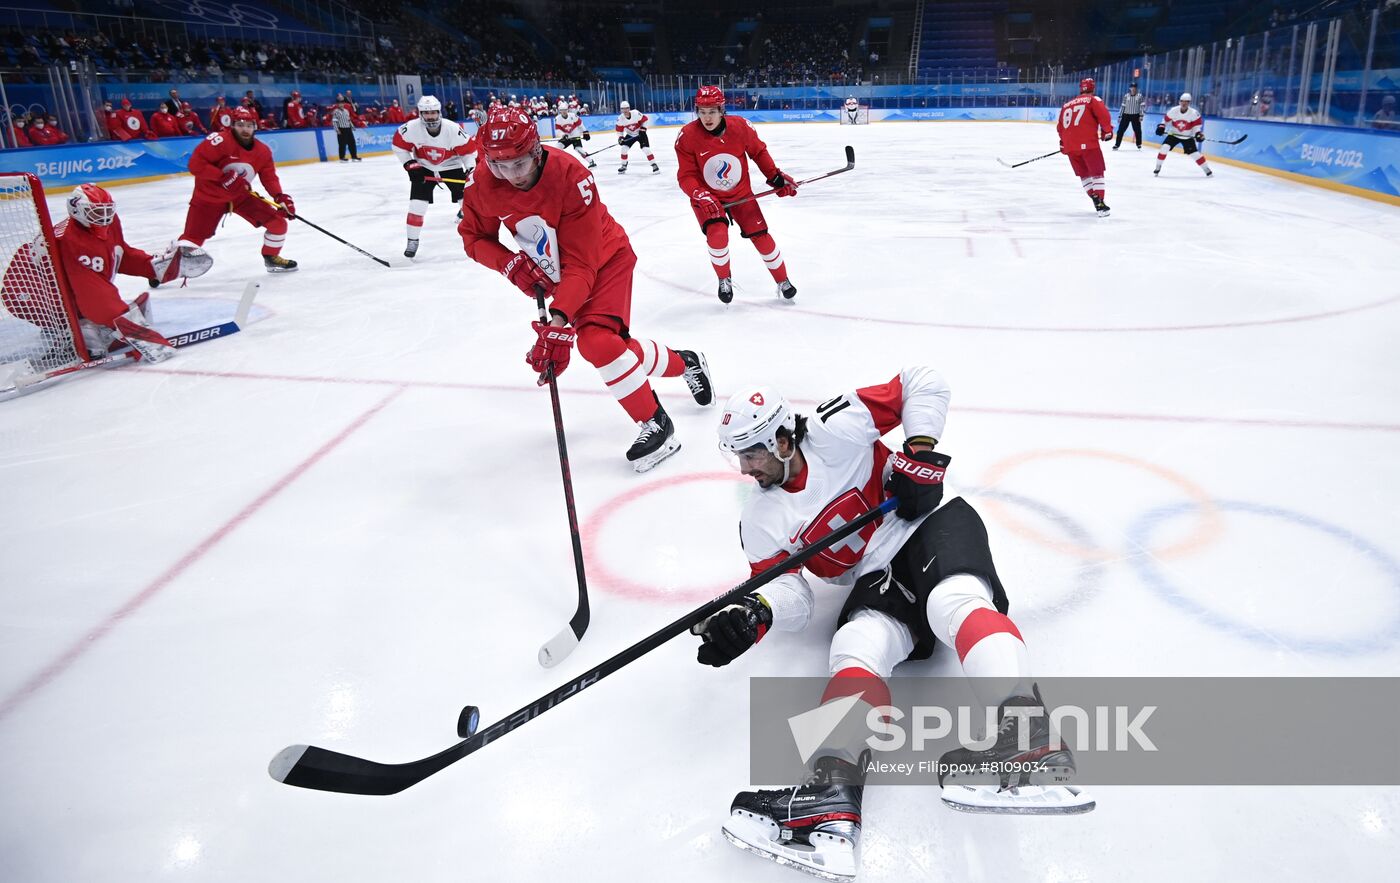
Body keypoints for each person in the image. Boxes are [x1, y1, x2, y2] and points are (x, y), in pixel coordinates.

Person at [702, 369, 1088, 880]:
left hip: (931, 524)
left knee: (953, 598)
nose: (746, 468)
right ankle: (830, 796)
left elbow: (922, 381)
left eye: (751, 453)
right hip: (876, 573)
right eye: (739, 456)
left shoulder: (833, 425)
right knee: (855, 643)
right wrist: (757, 614)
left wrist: (921, 450)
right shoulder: (761, 519)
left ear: (781, 438)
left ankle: (1028, 736)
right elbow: (788, 586)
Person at [457, 107, 713, 472]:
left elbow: (583, 263)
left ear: (535, 150)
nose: (509, 176)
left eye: (518, 164)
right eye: (499, 166)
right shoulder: (483, 181)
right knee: (615, 348)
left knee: (595, 341)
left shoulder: (571, 176)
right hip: (559, 273)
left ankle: (656, 424)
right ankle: (687, 362)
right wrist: (510, 265)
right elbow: (474, 237)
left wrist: (558, 323)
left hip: (605, 260)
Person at [2, 184, 212, 364]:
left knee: (86, 303)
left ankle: (80, 325)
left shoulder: (108, 223)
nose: (103, 217)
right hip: (23, 289)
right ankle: (70, 330)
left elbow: (117, 254)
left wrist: (152, 266)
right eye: (96, 212)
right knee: (86, 316)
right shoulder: (74, 241)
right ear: (76, 211)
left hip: (51, 279)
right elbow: (94, 296)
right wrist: (133, 329)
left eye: (106, 210)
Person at [675, 85, 799, 305]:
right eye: (702, 112)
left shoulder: (740, 127)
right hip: (709, 199)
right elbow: (686, 176)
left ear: (722, 110)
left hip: (741, 194)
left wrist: (776, 178)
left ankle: (783, 280)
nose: (707, 117)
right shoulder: (687, 136)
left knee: (761, 236)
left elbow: (758, 152)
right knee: (717, 235)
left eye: (712, 111)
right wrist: (700, 194)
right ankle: (724, 278)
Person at [180, 106, 298, 273]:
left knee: (278, 224)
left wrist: (280, 197)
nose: (245, 129)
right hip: (209, 197)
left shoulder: (262, 151)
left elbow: (269, 177)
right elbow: (195, 165)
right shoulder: (219, 141)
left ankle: (271, 258)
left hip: (240, 196)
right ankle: (166, 268)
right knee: (192, 240)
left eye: (249, 125)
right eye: (241, 124)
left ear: (255, 127)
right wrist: (222, 177)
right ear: (232, 125)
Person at [391, 95, 477, 259]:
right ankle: (412, 241)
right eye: (426, 113)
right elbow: (398, 146)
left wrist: (471, 169)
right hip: (424, 167)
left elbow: (469, 152)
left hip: (451, 166)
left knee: (468, 204)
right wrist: (410, 164)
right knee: (417, 206)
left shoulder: (452, 129)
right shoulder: (411, 128)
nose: (430, 116)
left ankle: (476, 237)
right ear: (421, 114)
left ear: (439, 112)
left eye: (433, 112)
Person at [1056, 77, 1113, 217]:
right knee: (1097, 173)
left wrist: (1063, 143)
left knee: (1084, 174)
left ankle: (1095, 198)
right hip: (1089, 145)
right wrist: (1107, 131)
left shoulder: (1066, 105)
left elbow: (1060, 127)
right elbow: (1103, 116)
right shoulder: (1093, 100)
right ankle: (1100, 203)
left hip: (1071, 147)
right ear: (1093, 88)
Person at [1154, 92, 1213, 177]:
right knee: (1164, 148)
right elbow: (1165, 121)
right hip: (1174, 135)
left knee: (1195, 154)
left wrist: (1198, 134)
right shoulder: (1173, 110)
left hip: (1187, 137)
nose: (1184, 103)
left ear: (1189, 103)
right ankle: (1158, 166)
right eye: (1182, 101)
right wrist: (1161, 127)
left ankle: (1206, 169)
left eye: (1186, 101)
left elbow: (1197, 127)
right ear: (1179, 101)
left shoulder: (1194, 113)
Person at [614, 100, 659, 174]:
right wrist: (620, 137)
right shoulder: (620, 119)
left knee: (646, 149)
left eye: (626, 108)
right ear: (621, 109)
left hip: (640, 134)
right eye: (623, 109)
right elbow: (619, 130)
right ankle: (624, 165)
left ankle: (654, 164)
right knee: (623, 149)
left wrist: (643, 129)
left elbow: (645, 120)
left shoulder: (635, 113)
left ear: (629, 108)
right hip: (630, 135)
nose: (625, 110)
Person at [553, 101, 594, 168]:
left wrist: (585, 132)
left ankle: (591, 161)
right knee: (557, 148)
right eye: (562, 110)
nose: (564, 112)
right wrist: (563, 135)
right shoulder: (557, 119)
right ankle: (558, 164)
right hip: (566, 136)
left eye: (565, 110)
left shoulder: (573, 116)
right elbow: (558, 130)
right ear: (560, 111)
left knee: (578, 149)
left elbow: (580, 125)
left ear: (567, 110)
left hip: (575, 135)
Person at [1114, 82, 1144, 149]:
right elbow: (1123, 106)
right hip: (1126, 115)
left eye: (1134, 87)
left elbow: (1142, 106)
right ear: (1130, 88)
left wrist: (1141, 115)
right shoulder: (1126, 96)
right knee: (1120, 130)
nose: (1133, 89)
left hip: (1135, 115)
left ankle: (1139, 144)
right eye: (1132, 87)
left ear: (1136, 88)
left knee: (1137, 130)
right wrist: (1120, 116)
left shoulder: (1140, 96)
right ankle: (1117, 145)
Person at [332, 95, 358, 162]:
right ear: (337, 104)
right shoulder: (336, 112)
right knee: (342, 144)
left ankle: (354, 156)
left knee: (352, 142)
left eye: (342, 103)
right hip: (341, 129)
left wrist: (352, 126)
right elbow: (334, 122)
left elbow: (348, 120)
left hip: (348, 128)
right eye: (340, 103)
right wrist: (337, 130)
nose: (341, 104)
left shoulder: (346, 111)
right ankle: (342, 157)